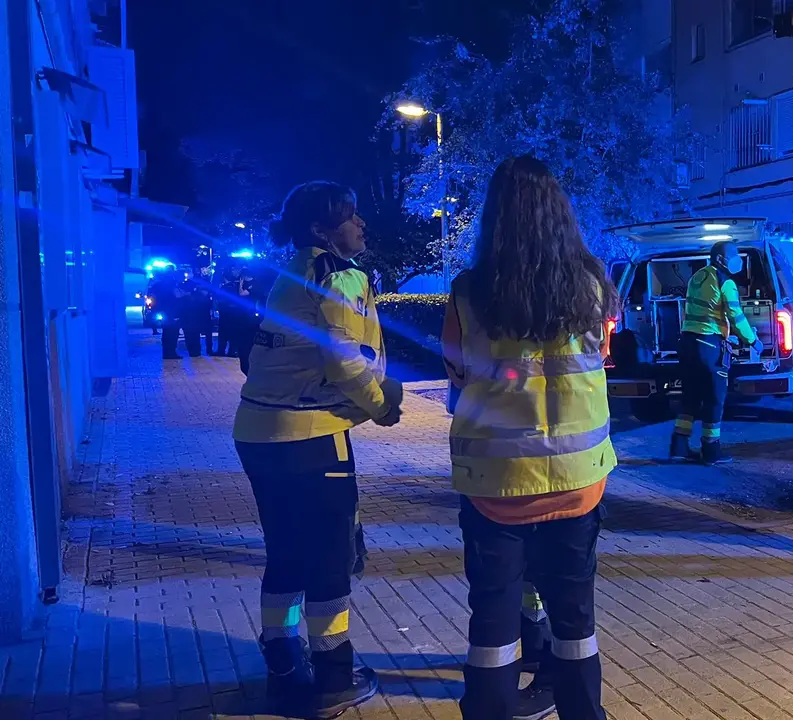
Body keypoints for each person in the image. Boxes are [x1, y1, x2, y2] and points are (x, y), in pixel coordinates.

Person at [442, 156, 613, 720]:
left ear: (495, 216)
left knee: (493, 621)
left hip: (495, 486)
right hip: (576, 482)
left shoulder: (468, 293)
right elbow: (600, 357)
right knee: (575, 620)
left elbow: (457, 371)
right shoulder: (593, 285)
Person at [233, 181, 402, 718]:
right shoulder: (338, 275)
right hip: (309, 436)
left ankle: (284, 666)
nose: (361, 224)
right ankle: (333, 677)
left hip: (259, 433)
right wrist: (383, 405)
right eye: (350, 216)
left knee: (285, 553)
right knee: (330, 559)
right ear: (320, 230)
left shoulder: (293, 271)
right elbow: (346, 361)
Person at [668, 241, 763, 464]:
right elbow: (736, 316)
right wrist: (753, 341)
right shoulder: (725, 282)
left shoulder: (698, 277)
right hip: (709, 346)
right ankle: (711, 451)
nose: (738, 259)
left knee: (690, 398)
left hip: (688, 343)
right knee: (714, 398)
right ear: (721, 259)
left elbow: (705, 311)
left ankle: (679, 446)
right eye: (734, 255)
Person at [151, 266, 186, 360]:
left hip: (163, 311)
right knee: (173, 333)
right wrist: (187, 294)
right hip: (172, 311)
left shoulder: (157, 284)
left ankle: (166, 352)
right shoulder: (172, 283)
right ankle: (171, 352)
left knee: (166, 332)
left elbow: (152, 297)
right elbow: (178, 295)